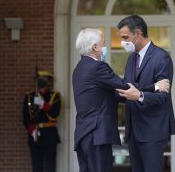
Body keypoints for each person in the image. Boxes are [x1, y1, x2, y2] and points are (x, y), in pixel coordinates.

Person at [72, 28, 169, 172]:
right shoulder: (98, 67)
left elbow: (114, 94)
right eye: (103, 44)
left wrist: (137, 97)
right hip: (97, 134)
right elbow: (124, 86)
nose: (105, 48)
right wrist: (155, 87)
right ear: (95, 47)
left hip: (84, 134)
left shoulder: (79, 68)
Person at [116, 15, 175, 172]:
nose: (123, 42)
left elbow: (163, 96)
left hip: (153, 130)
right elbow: (130, 89)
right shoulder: (131, 59)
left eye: (125, 37)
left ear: (138, 33)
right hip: (133, 130)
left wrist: (140, 95)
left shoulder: (161, 57)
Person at [22, 70, 62, 172]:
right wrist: (31, 129)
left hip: (49, 134)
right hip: (35, 134)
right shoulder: (29, 97)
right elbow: (26, 117)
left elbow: (54, 114)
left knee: (50, 165)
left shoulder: (55, 96)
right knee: (36, 165)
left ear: (48, 82)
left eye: (44, 80)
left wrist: (43, 104)